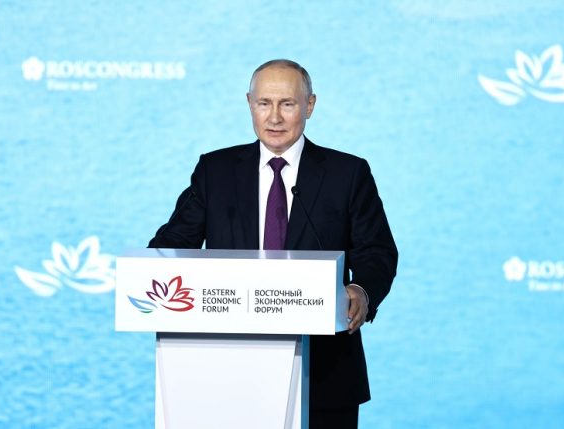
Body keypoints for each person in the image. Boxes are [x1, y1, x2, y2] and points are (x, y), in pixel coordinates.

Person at [149, 59, 398, 429]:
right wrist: (151, 271)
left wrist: (361, 289)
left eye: (288, 104)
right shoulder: (216, 171)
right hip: (226, 373)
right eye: (264, 103)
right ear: (249, 104)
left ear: (310, 105)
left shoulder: (347, 173)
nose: (275, 117)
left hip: (325, 373)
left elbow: (377, 251)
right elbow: (171, 244)